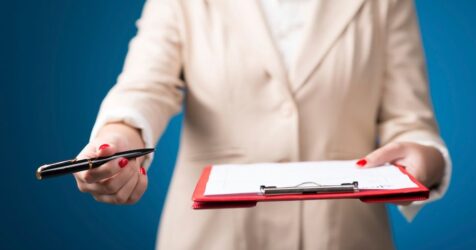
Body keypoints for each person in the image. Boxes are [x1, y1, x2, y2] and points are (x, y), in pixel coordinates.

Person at [73, 0, 451, 249]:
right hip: (213, 236)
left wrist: (423, 163)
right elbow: (145, 87)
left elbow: (411, 121)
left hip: (345, 235)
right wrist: (118, 138)